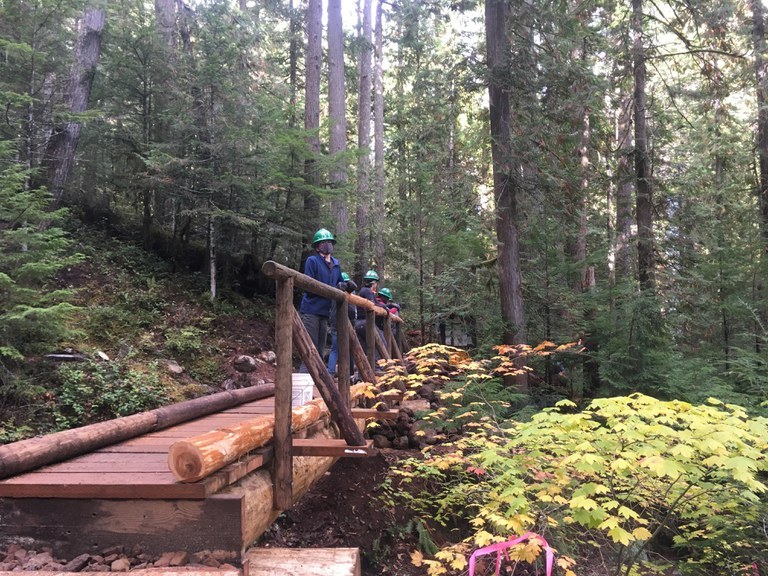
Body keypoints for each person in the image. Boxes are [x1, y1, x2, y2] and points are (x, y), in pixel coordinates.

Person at [298, 228, 342, 372]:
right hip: (311, 309)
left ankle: (318, 384)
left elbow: (339, 284)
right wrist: (327, 289)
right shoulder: (312, 261)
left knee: (320, 350)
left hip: (325, 312)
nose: (327, 244)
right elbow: (308, 284)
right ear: (317, 246)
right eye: (323, 242)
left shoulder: (336, 264)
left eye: (329, 242)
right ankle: (304, 384)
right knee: (309, 348)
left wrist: (346, 286)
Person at [327, 272, 358, 377]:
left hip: (336, 323)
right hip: (342, 323)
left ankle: (332, 373)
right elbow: (353, 286)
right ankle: (349, 374)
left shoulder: (334, 292)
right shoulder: (343, 293)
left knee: (335, 349)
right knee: (346, 349)